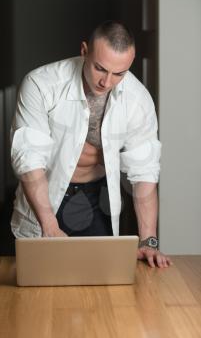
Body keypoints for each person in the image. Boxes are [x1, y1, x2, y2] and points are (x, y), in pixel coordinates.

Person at [10, 20, 172, 268]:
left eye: (119, 73)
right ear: (84, 51)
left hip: (96, 198)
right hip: (45, 195)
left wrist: (148, 240)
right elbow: (29, 158)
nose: (106, 82)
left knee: (99, 288)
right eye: (100, 68)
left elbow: (145, 171)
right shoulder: (41, 84)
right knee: (38, 288)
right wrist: (49, 226)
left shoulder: (138, 99)